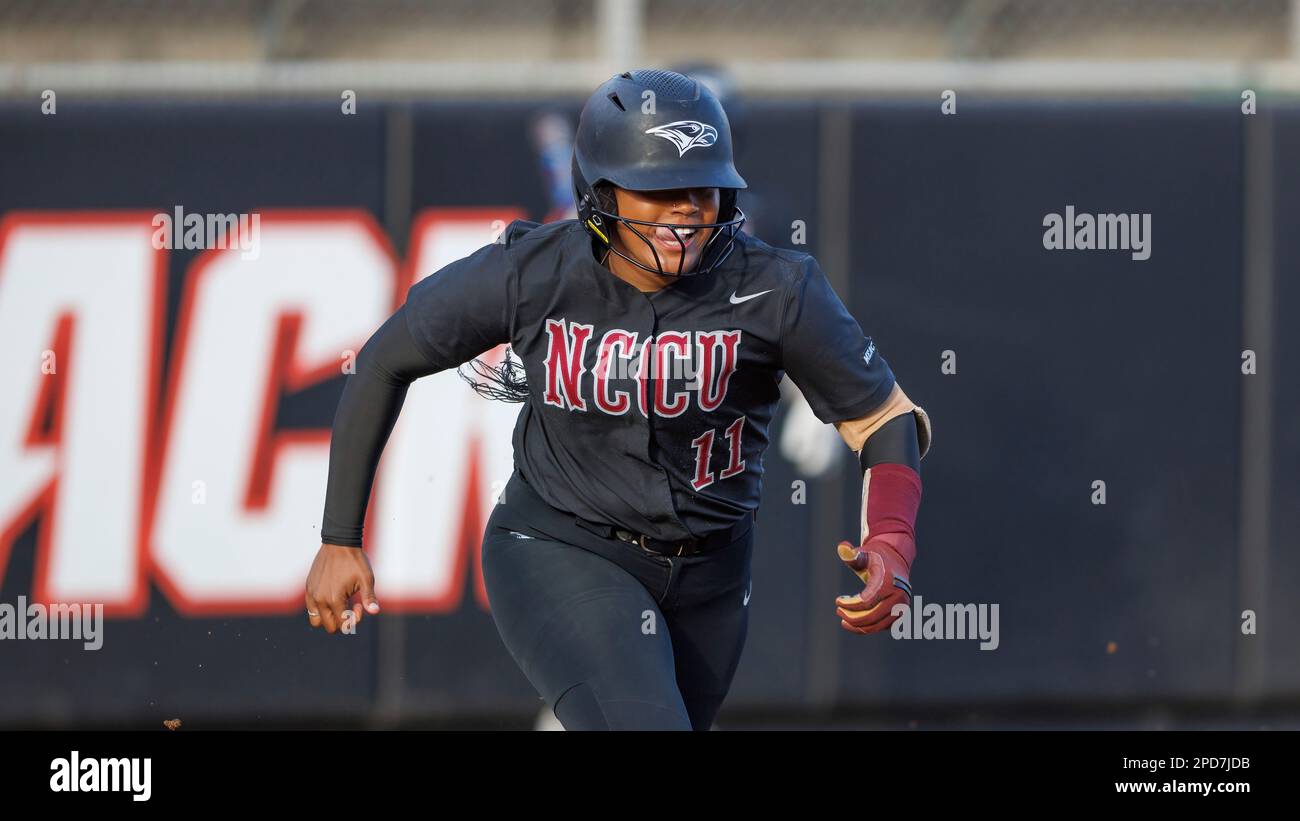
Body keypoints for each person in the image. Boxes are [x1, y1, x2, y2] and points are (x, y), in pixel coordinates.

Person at [304, 68, 931, 730]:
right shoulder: (533, 273)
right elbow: (383, 359)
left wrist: (892, 537)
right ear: (599, 193)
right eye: (660, 191)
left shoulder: (775, 287)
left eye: (705, 187)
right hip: (563, 548)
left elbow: (885, 417)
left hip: (712, 576)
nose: (688, 207)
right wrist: (339, 537)